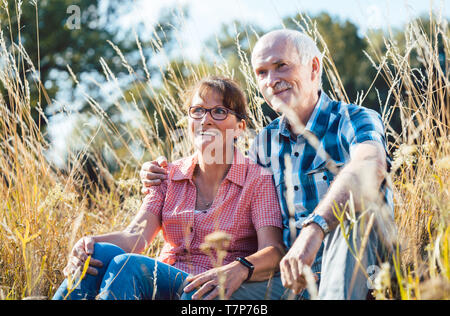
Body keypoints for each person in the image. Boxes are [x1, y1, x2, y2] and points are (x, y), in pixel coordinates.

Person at [140, 29, 396, 300]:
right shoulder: (264, 142)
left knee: (355, 214)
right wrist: (163, 173)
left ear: (313, 67)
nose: (272, 80)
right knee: (205, 299)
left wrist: (314, 229)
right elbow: (232, 189)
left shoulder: (353, 119)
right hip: (287, 282)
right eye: (262, 72)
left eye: (281, 66)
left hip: (355, 270)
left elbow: (371, 164)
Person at [52, 76, 285, 300]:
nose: (206, 120)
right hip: (164, 279)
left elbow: (273, 251)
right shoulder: (167, 175)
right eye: (198, 111)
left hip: (211, 287)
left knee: (127, 266)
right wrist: (87, 243)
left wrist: (239, 268)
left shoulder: (257, 179)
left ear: (240, 127)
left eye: (220, 111)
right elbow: (135, 237)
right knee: (99, 254)